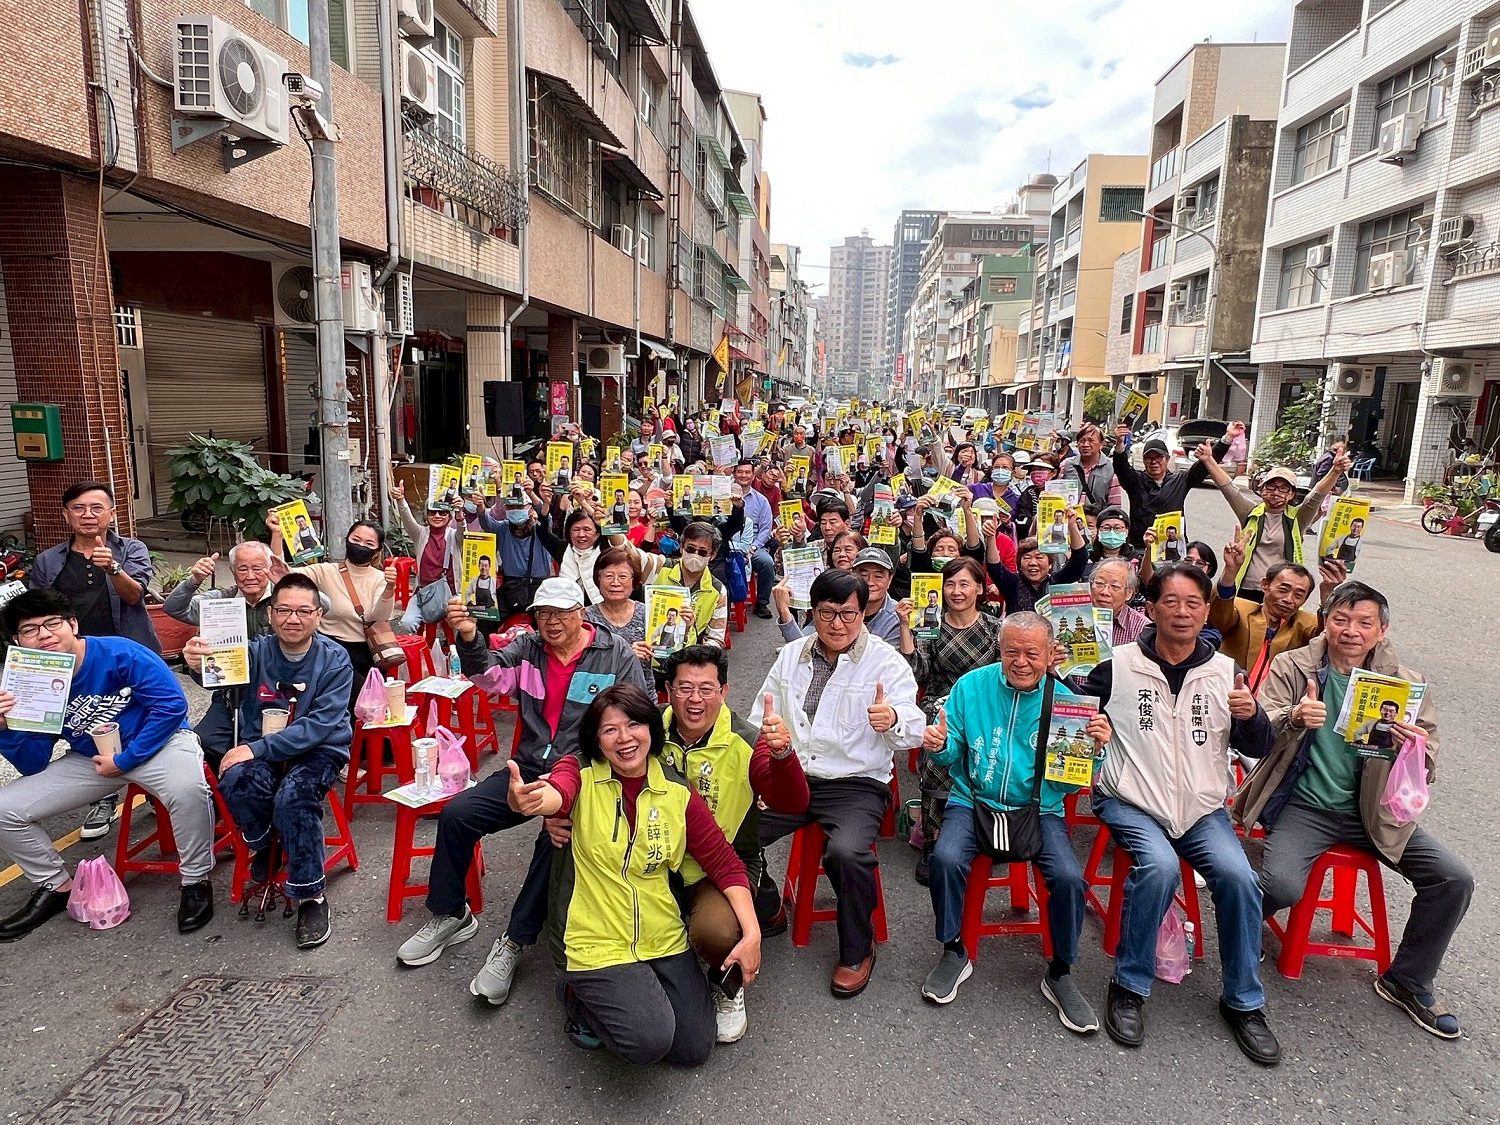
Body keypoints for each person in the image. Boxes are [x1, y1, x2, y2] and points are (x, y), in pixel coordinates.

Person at [1234, 581, 1473, 1039]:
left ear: (1382, 631)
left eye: (1365, 622)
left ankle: (1407, 980)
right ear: (1326, 622)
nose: (1351, 631)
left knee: (1453, 878)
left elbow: (1429, 757)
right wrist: (1294, 717)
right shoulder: (1295, 665)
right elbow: (1259, 728)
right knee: (1281, 884)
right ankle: (1240, 923)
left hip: (1376, 813)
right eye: (1341, 619)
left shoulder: (1406, 682)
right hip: (1306, 804)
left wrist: (1413, 747)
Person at [396, 579, 650, 1003]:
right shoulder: (529, 647)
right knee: (458, 815)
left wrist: (576, 786)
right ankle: (450, 913)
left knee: (557, 839)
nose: (551, 622)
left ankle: (514, 941)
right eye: (543, 613)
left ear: (580, 613)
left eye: (561, 613)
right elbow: (490, 677)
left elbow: (635, 717)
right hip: (528, 767)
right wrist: (470, 637)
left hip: (583, 773)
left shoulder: (614, 654)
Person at [1079, 564, 1280, 1065]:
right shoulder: (1118, 665)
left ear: (1207, 610)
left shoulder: (1226, 672)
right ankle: (1129, 986)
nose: (1183, 612)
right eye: (1171, 601)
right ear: (1150, 609)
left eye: (1193, 603)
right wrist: (1086, 723)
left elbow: (1258, 746)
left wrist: (1253, 715)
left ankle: (1244, 1001)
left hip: (1201, 808)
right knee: (1160, 867)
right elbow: (1073, 716)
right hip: (1130, 798)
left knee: (1239, 878)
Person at [507, 686, 759, 1064]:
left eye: (634, 724)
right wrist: (530, 800)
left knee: (694, 1048)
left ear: (651, 729)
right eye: (610, 730)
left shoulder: (676, 791)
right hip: (594, 935)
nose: (624, 738)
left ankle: (636, 993)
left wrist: (752, 934)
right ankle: (576, 996)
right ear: (596, 739)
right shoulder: (580, 772)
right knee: (649, 1041)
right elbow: (557, 791)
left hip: (659, 930)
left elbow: (725, 863)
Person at [921, 612, 1113, 1031]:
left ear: (1049, 654)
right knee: (945, 859)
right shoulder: (970, 687)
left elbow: (1068, 783)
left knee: (1069, 878)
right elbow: (951, 753)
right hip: (972, 800)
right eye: (1011, 652)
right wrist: (939, 744)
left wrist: (1094, 752)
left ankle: (1060, 970)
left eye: (1031, 653)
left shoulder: (1067, 703)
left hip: (1039, 809)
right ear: (999, 650)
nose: (1021, 662)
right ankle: (954, 948)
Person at [0, 590, 214, 940]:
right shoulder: (31, 681)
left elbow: (172, 706)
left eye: (52, 623)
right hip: (92, 759)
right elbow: (32, 762)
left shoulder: (119, 652)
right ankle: (57, 886)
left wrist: (126, 759)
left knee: (187, 788)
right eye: (30, 630)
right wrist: (6, 729)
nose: (44, 635)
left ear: (73, 624)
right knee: (5, 808)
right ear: (16, 641)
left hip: (160, 743)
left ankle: (195, 880)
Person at [751, 569, 924, 998]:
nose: (838, 624)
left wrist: (893, 719)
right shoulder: (791, 655)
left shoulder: (885, 661)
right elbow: (760, 716)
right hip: (793, 772)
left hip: (856, 782)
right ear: (813, 611)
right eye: (828, 613)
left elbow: (914, 728)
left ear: (863, 613)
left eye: (849, 614)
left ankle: (857, 950)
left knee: (846, 853)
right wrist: (765, 760)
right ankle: (768, 905)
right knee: (732, 831)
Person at [184, 573, 353, 949]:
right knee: (235, 779)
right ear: (270, 614)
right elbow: (217, 678)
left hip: (318, 749)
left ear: (318, 615)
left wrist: (257, 750)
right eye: (284, 610)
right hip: (259, 742)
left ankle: (311, 896)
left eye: (303, 611)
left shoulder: (334, 659)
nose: (293, 619)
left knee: (294, 797)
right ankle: (266, 843)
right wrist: (196, 663)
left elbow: (320, 725)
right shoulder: (255, 651)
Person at [658, 646, 808, 1042]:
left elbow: (792, 802)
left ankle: (728, 987)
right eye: (684, 688)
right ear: (669, 690)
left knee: (717, 931)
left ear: (724, 691)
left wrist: (783, 755)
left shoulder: (748, 740)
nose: (695, 699)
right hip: (655, 858)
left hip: (724, 867)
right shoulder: (647, 731)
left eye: (706, 689)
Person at [28, 481, 159, 838]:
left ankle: (156, 782)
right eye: (79, 508)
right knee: (88, 725)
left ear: (111, 514)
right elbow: (37, 613)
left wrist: (113, 568)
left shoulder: (130, 549)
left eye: (97, 508)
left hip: (127, 655)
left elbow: (135, 596)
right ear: (66, 515)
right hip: (75, 663)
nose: (88, 515)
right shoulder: (48, 561)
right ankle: (102, 797)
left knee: (146, 717)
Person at [900, 557, 1000, 884]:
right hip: (941, 704)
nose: (956, 591)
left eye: (964, 584)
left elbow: (1005, 676)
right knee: (937, 744)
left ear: (979, 589)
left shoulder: (995, 629)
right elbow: (918, 674)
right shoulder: (931, 625)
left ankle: (985, 835)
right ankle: (933, 839)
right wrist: (905, 627)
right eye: (950, 584)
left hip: (985, 706)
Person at [163, 541, 278, 771]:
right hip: (231, 692)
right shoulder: (219, 600)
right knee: (203, 742)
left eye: (257, 568)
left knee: (267, 745)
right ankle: (220, 789)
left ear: (269, 568)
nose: (250, 576)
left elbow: (322, 604)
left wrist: (287, 580)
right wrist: (194, 580)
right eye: (242, 569)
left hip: (276, 691)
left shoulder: (283, 598)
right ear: (233, 572)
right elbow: (173, 608)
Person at [270, 515, 398, 712]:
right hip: (330, 649)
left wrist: (389, 588)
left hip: (366, 651)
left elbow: (378, 616)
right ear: (346, 540)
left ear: (377, 552)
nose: (360, 546)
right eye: (356, 540)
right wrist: (277, 534)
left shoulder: (380, 578)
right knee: (340, 702)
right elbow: (284, 574)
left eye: (369, 543)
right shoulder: (326, 571)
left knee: (369, 706)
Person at [1198, 441, 1348, 600]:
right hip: (1245, 589)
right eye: (1271, 486)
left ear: (1291, 494)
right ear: (1261, 488)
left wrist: (1335, 471)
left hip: (1279, 592)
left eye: (1283, 488)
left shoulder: (1297, 518)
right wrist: (1208, 460)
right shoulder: (1250, 512)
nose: (1276, 493)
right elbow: (1229, 489)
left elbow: (1316, 496)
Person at [1211, 536, 1323, 692]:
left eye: (1298, 595)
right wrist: (1230, 572)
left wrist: (1328, 594)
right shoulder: (1243, 611)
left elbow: (1325, 635)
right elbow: (1220, 615)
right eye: (1283, 590)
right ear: (1265, 585)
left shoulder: (1305, 625)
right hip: (1227, 693)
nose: (1288, 599)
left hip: (1274, 702)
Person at [1112, 425, 1231, 547]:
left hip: (1173, 548)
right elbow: (1121, 467)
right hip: (1141, 547)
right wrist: (1120, 443)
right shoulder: (1135, 481)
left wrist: (1228, 438)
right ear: (1143, 460)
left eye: (1159, 457)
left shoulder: (1180, 480)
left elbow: (1204, 466)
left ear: (1167, 459)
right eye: (1149, 458)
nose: (1154, 462)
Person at [391, 480, 461, 634]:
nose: (437, 516)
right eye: (432, 512)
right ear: (426, 514)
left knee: (460, 624)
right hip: (424, 593)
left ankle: (454, 649)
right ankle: (419, 649)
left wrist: (460, 513)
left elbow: (463, 531)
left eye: (443, 512)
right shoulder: (421, 534)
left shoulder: (455, 536)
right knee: (406, 624)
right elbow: (407, 520)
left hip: (452, 594)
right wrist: (401, 500)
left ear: (450, 515)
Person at [988, 525, 1088, 615]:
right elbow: (994, 567)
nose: (1033, 563)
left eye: (1039, 557)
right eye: (1027, 558)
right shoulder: (1012, 584)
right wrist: (991, 537)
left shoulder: (1057, 582)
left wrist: (1072, 526)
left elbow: (1079, 559)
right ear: (1019, 565)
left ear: (1050, 564)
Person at [584, 547, 653, 675]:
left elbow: (665, 659)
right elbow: (582, 662)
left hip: (642, 687)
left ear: (634, 581)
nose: (615, 583)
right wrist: (627, 655)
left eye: (623, 576)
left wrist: (683, 629)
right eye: (609, 576)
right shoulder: (586, 617)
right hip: (600, 687)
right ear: (598, 579)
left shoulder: (648, 613)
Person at [734, 461, 778, 618]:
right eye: (740, 472)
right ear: (734, 474)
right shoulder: (724, 497)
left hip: (753, 545)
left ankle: (762, 603)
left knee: (767, 563)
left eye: (747, 472)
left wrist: (753, 548)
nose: (743, 475)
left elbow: (765, 530)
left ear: (753, 476)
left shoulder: (761, 500)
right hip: (729, 543)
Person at [1061, 423, 1121, 515]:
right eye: (1081, 441)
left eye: (1091, 440)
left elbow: (1115, 505)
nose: (1085, 444)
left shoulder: (1111, 468)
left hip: (1096, 520)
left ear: (1101, 444)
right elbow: (1055, 493)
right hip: (1069, 518)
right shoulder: (1066, 465)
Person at [1089, 558, 1148, 646]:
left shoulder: (1141, 628)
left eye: (1114, 586)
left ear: (1129, 593)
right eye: (1099, 583)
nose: (1105, 592)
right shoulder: (1077, 615)